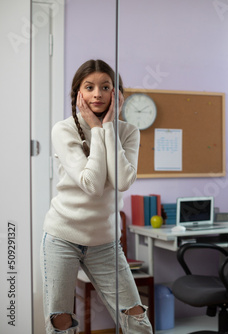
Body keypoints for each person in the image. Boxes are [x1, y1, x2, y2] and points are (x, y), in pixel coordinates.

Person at [41, 59, 153, 333]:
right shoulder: (63, 129)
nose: (98, 94)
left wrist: (107, 128)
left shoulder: (128, 132)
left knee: (136, 318)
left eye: (105, 87)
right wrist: (95, 127)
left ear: (117, 94)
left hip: (105, 243)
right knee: (61, 321)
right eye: (89, 87)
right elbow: (91, 183)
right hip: (62, 238)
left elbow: (123, 180)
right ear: (77, 93)